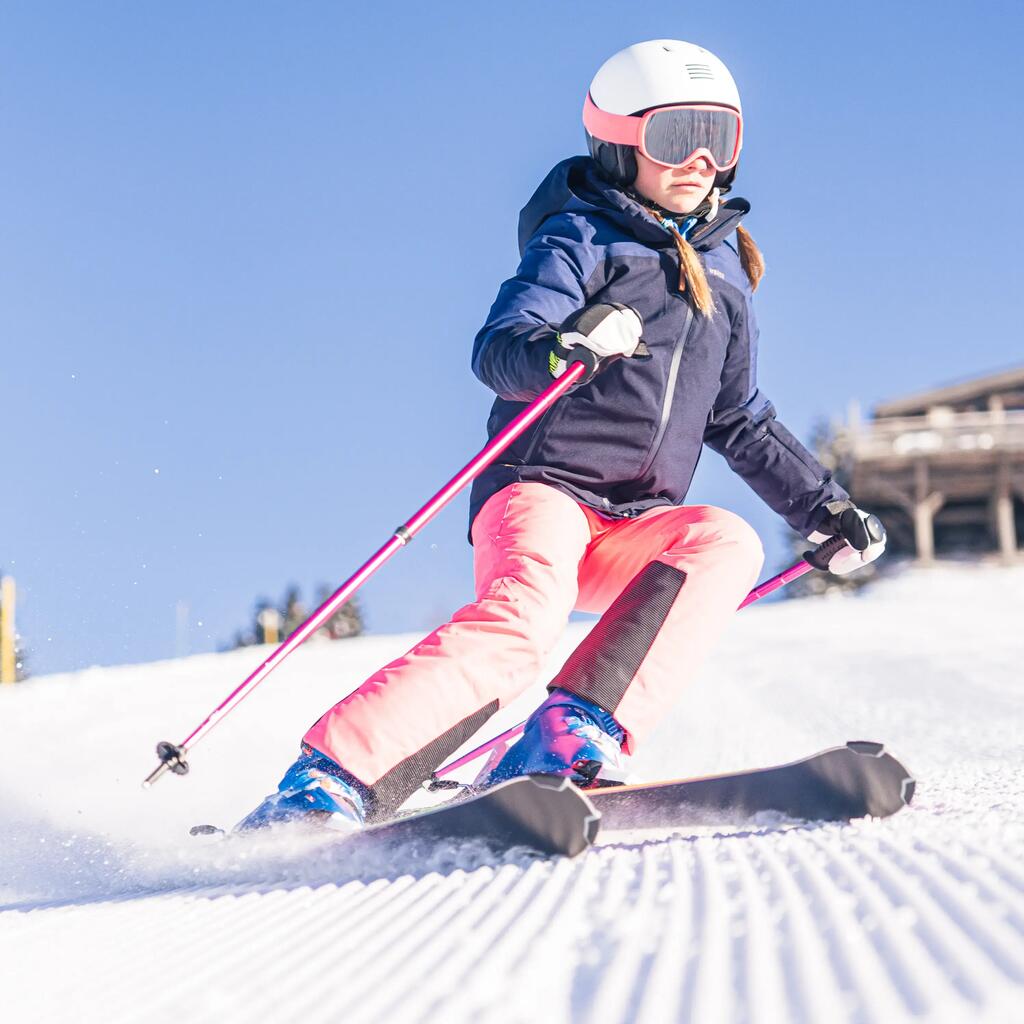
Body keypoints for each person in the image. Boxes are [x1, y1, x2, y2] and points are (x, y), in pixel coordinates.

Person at [237, 39, 886, 832]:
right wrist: (561, 345)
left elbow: (738, 418)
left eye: (722, 136)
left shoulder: (725, 281)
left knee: (724, 540)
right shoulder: (576, 238)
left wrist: (823, 508)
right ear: (618, 145)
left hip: (633, 524)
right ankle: (329, 778)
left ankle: (570, 731)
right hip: (541, 492)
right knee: (523, 624)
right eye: (675, 137)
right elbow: (498, 346)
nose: (701, 160)